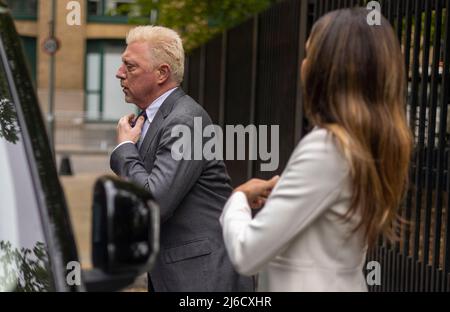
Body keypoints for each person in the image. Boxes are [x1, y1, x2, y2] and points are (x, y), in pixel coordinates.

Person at [220, 8, 412, 292]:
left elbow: (248, 253)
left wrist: (237, 199)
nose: (303, 64)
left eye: (310, 54)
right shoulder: (367, 142)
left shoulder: (326, 147)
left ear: (329, 70)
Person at [110, 25, 253, 292]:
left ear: (162, 73)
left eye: (130, 67)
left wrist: (124, 150)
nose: (119, 74)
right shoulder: (152, 118)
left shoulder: (185, 120)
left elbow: (155, 203)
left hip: (205, 279)